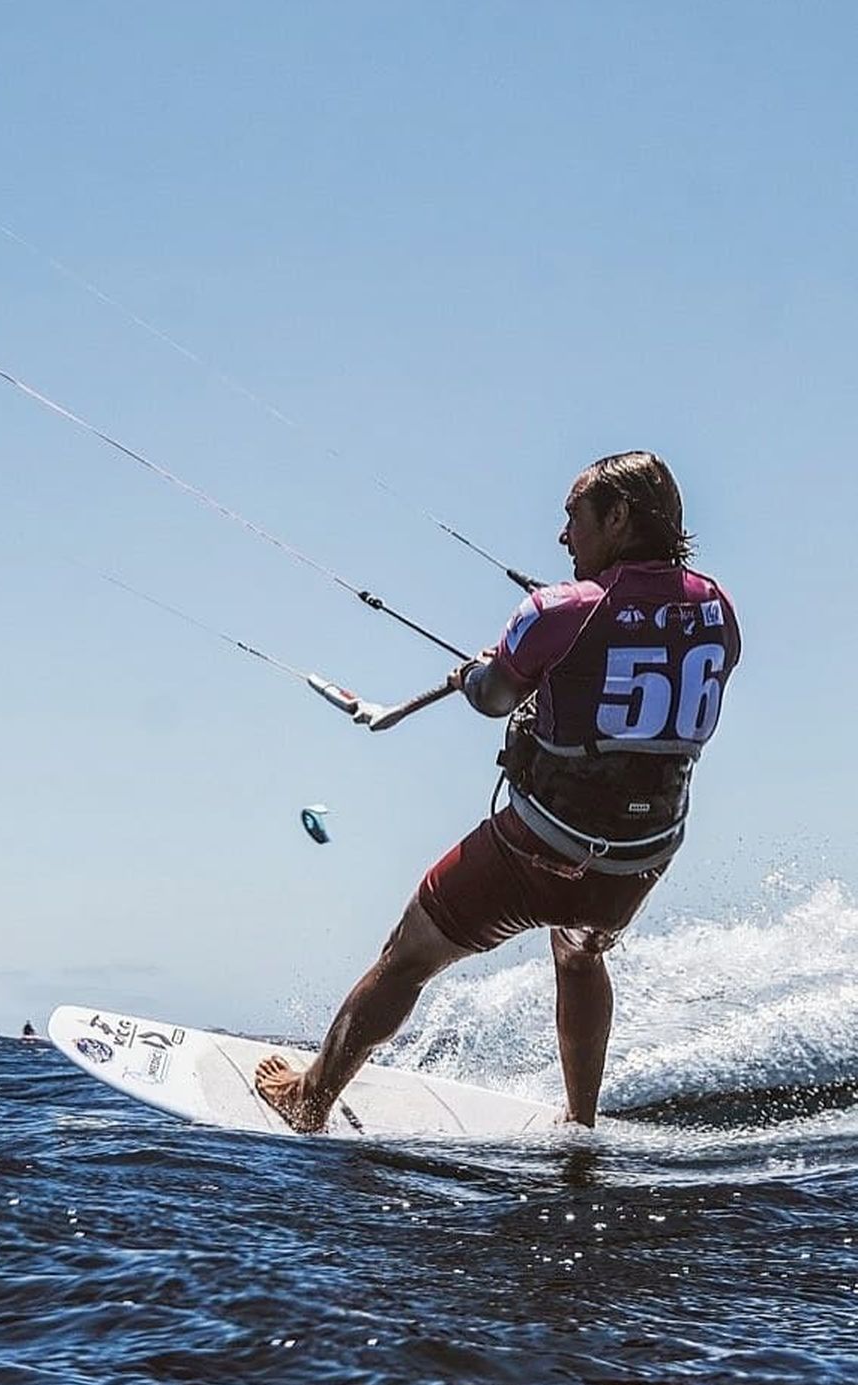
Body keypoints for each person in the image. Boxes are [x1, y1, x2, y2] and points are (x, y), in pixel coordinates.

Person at [256, 451, 741, 1130]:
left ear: (619, 517)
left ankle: (309, 1099)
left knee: (407, 956)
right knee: (579, 952)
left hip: (539, 845)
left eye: (573, 517)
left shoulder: (558, 609)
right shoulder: (719, 608)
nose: (563, 536)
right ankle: (580, 1123)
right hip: (638, 860)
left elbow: (493, 696)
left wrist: (472, 673)